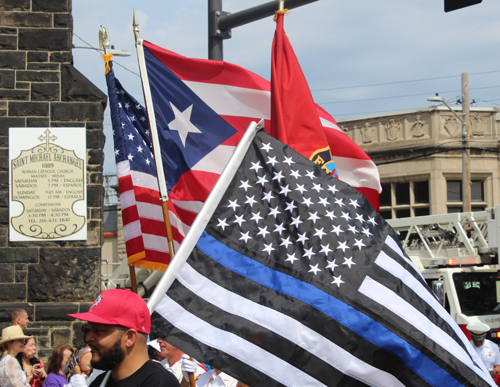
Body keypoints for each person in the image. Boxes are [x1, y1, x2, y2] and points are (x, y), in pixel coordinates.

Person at [68, 289, 180, 387]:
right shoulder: (100, 382)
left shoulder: (160, 383)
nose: (88, 338)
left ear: (130, 337)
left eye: (99, 330)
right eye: (87, 330)